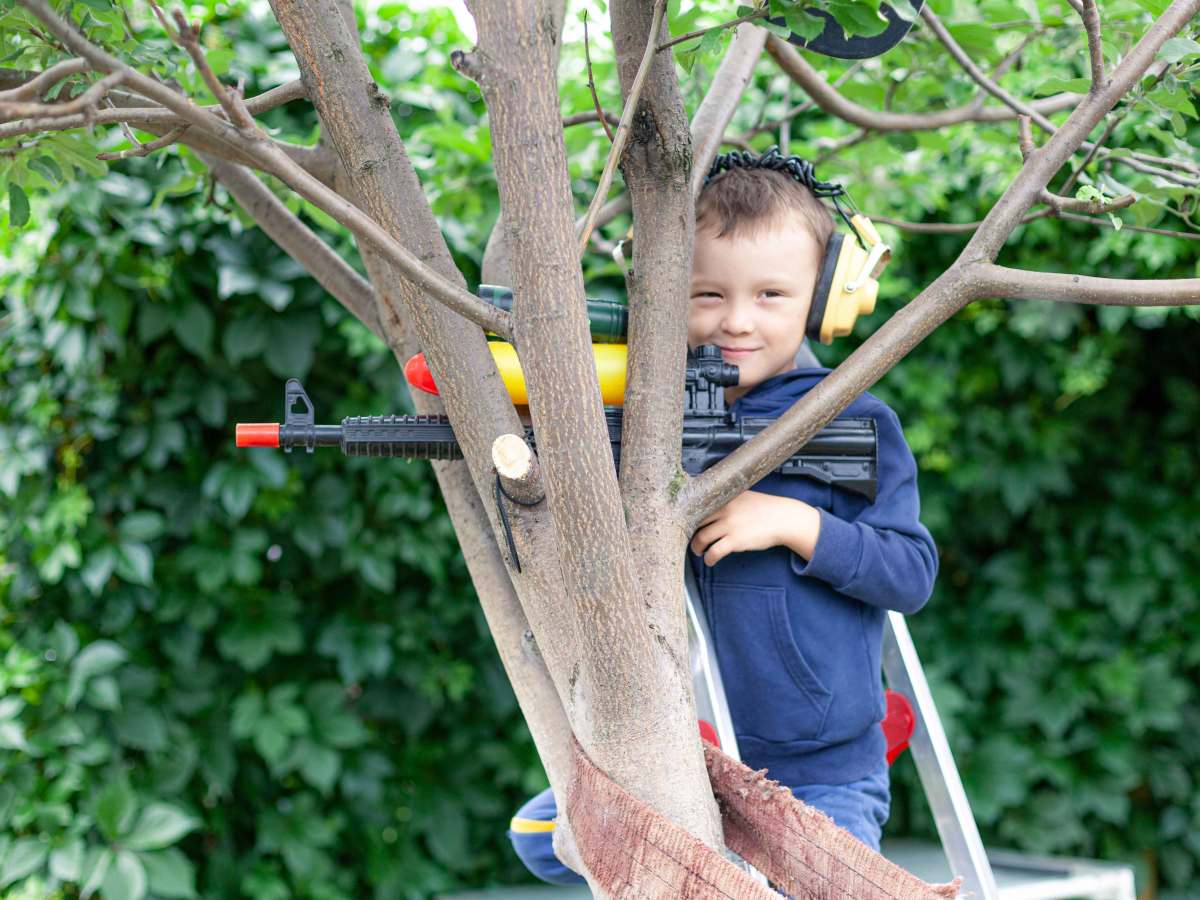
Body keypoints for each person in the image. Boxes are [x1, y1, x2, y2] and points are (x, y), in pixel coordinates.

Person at [507, 151, 938, 884]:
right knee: (540, 838)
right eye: (707, 294)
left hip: (821, 770)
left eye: (772, 294)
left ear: (825, 296)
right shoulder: (648, 420)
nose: (736, 321)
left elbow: (911, 572)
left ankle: (875, 728)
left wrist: (793, 523)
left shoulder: (850, 418)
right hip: (691, 754)